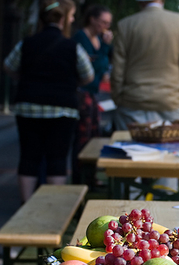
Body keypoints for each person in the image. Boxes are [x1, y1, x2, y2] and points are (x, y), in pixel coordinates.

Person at [4, 0, 94, 203]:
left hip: (28, 107)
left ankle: (26, 205)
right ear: (62, 20)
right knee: (57, 159)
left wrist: (26, 78)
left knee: (28, 157)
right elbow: (88, 75)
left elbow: (9, 66)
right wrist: (69, 81)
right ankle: (51, 206)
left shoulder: (27, 43)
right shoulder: (72, 46)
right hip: (63, 109)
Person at [110, 0, 179, 130]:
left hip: (133, 102)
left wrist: (118, 98)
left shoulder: (125, 25)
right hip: (170, 101)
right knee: (172, 149)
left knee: (130, 149)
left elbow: (118, 68)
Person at [71, 5, 112, 184]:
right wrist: (102, 52)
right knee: (82, 136)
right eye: (103, 22)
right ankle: (80, 177)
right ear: (92, 19)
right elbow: (91, 69)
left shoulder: (100, 41)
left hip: (93, 92)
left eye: (108, 23)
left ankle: (90, 176)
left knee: (95, 134)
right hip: (81, 92)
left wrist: (104, 47)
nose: (105, 26)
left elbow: (102, 66)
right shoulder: (80, 38)